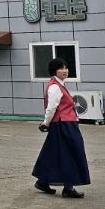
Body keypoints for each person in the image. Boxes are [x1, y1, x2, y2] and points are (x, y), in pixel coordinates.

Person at [32, 58, 91, 198]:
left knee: (54, 153)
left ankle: (43, 181)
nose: (65, 71)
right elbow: (51, 108)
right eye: (61, 68)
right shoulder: (55, 87)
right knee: (71, 153)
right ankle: (68, 187)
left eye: (66, 68)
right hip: (63, 124)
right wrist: (46, 123)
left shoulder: (59, 85)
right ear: (54, 71)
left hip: (65, 123)